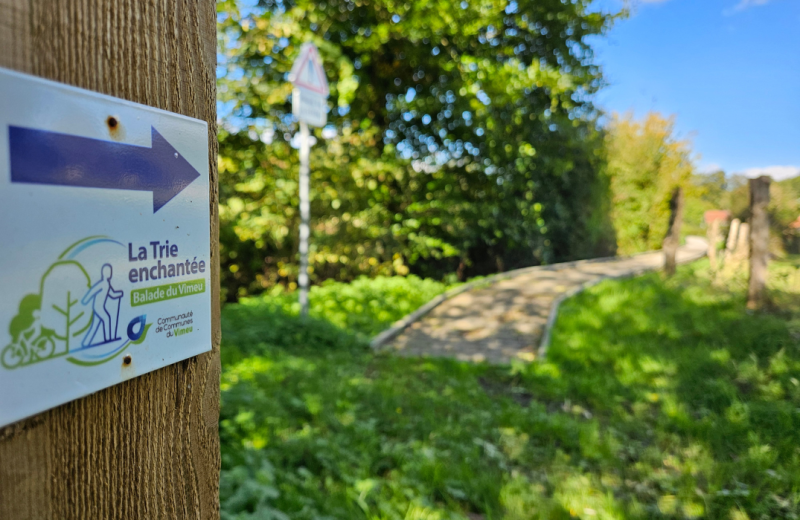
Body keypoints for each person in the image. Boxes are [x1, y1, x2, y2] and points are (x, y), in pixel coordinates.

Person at [81, 264, 124, 347]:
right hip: (98, 307)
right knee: (107, 318)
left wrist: (119, 294)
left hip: (99, 307)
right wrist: (85, 300)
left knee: (94, 326)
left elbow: (112, 294)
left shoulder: (107, 284)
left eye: (110, 272)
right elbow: (92, 291)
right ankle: (108, 339)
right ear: (104, 273)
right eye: (108, 272)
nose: (110, 273)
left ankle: (86, 343)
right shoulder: (102, 284)